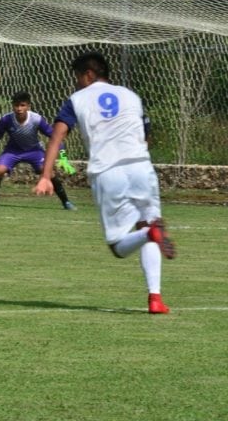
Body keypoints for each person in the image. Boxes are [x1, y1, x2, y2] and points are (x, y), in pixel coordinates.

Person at [33, 51, 176, 314]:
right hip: (141, 167)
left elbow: (57, 136)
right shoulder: (132, 96)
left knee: (118, 246)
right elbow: (145, 135)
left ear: (88, 74)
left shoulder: (76, 99)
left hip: (108, 172)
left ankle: (150, 233)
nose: (76, 83)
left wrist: (45, 175)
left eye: (77, 77)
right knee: (148, 221)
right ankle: (155, 297)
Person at [0, 91, 76, 210]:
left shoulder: (36, 119)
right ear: (12, 105)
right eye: (16, 105)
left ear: (28, 106)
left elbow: (54, 136)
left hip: (34, 150)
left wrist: (63, 156)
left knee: (47, 171)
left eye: (22, 105)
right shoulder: (6, 120)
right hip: (13, 151)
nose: (19, 108)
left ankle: (66, 202)